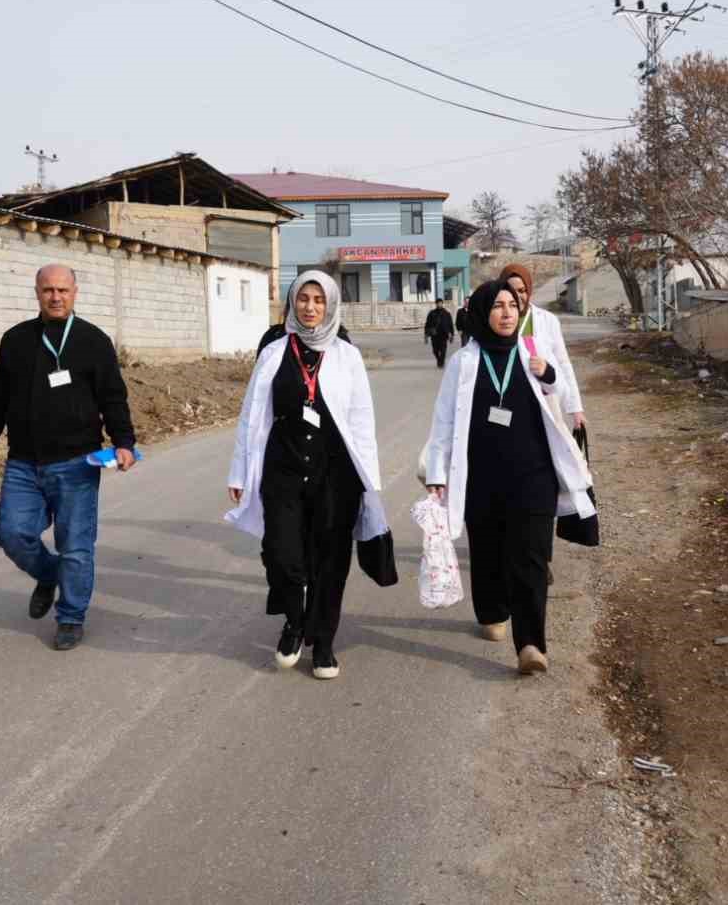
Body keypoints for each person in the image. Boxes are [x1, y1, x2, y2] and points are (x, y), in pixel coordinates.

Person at [422, 280, 595, 675]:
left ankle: (531, 644)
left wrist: (548, 373)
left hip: (533, 475)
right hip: (481, 478)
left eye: (513, 305)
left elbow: (559, 386)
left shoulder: (532, 349)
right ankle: (492, 610)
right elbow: (444, 420)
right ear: (483, 312)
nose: (506, 313)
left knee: (530, 557)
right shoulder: (464, 361)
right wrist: (436, 471)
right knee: (487, 551)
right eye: (498, 306)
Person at [226, 270, 391, 680]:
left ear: (330, 305)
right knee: (282, 552)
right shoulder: (274, 351)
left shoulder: (347, 356)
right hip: (282, 467)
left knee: (331, 559)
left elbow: (362, 421)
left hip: (336, 474)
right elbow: (251, 415)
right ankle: (295, 621)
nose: (310, 307)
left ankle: (325, 642)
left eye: (319, 300)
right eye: (303, 298)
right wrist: (239, 472)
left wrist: (370, 484)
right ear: (292, 302)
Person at [0, 264, 136, 652]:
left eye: (63, 290)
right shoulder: (16, 340)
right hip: (24, 462)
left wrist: (124, 441)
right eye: (48, 290)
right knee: (11, 532)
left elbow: (113, 396)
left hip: (78, 463)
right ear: (37, 293)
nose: (56, 297)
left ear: (75, 293)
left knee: (76, 546)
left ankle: (70, 617)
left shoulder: (93, 340)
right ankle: (49, 575)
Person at [499, 263, 587, 433]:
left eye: (522, 290)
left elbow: (563, 363)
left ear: (529, 290)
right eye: (510, 290)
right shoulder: (495, 321)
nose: (517, 296)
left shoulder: (547, 320)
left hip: (545, 400)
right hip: (509, 401)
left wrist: (575, 408)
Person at [423, 299, 455, 368]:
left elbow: (450, 325)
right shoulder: (432, 313)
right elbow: (427, 324)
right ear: (436, 304)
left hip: (444, 335)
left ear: (442, 304)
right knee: (435, 350)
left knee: (443, 350)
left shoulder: (446, 313)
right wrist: (426, 335)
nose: (439, 304)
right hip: (434, 334)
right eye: (438, 303)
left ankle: (441, 362)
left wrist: (452, 334)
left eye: (440, 303)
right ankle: (439, 359)